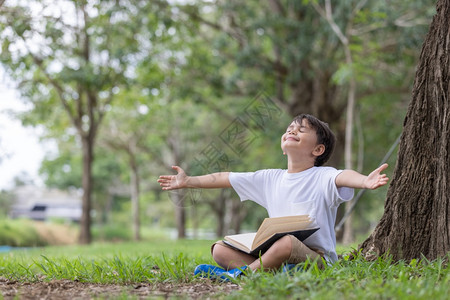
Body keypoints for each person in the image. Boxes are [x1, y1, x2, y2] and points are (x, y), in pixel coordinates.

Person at [158, 114, 389, 281]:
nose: (291, 131)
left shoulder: (323, 176)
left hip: (316, 258)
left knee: (287, 242)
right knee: (219, 249)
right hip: (275, 254)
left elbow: (343, 176)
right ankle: (276, 273)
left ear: (318, 150)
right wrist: (188, 181)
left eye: (301, 130)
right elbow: (226, 177)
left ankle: (242, 275)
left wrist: (365, 181)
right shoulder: (270, 178)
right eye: (289, 128)